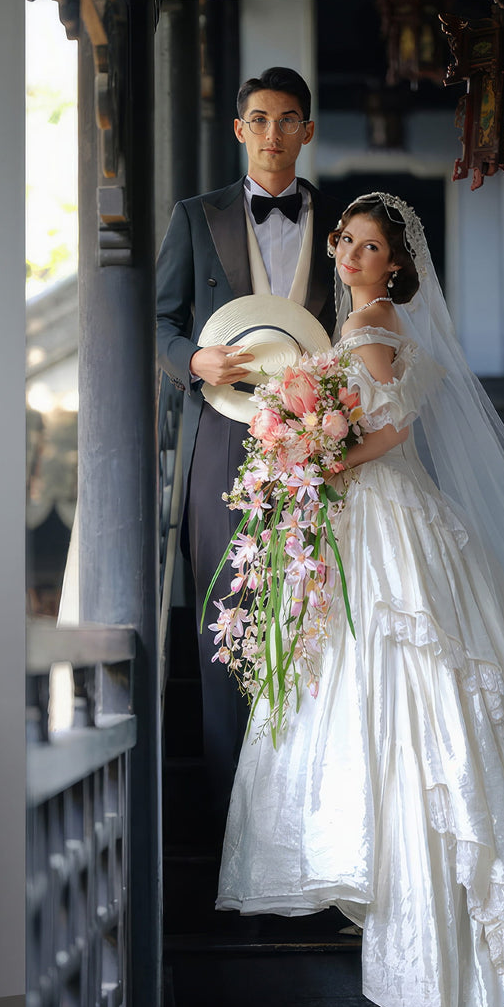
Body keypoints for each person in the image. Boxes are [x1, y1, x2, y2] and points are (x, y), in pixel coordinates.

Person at [217, 192, 504, 1007]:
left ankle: (419, 878)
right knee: (375, 684)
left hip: (384, 517)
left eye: (371, 248)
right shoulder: (367, 323)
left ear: (396, 264)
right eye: (348, 243)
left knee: (402, 679)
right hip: (369, 511)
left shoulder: (372, 325)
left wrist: (328, 457)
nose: (354, 257)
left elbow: (397, 427)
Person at [155, 66, 342, 831]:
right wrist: (192, 362)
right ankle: (233, 825)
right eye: (259, 119)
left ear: (306, 130)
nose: (273, 132)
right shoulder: (195, 217)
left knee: (311, 621)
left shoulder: (341, 225)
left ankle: (308, 822)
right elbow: (159, 321)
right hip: (221, 443)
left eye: (287, 118)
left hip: (317, 446)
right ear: (240, 131)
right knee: (224, 621)